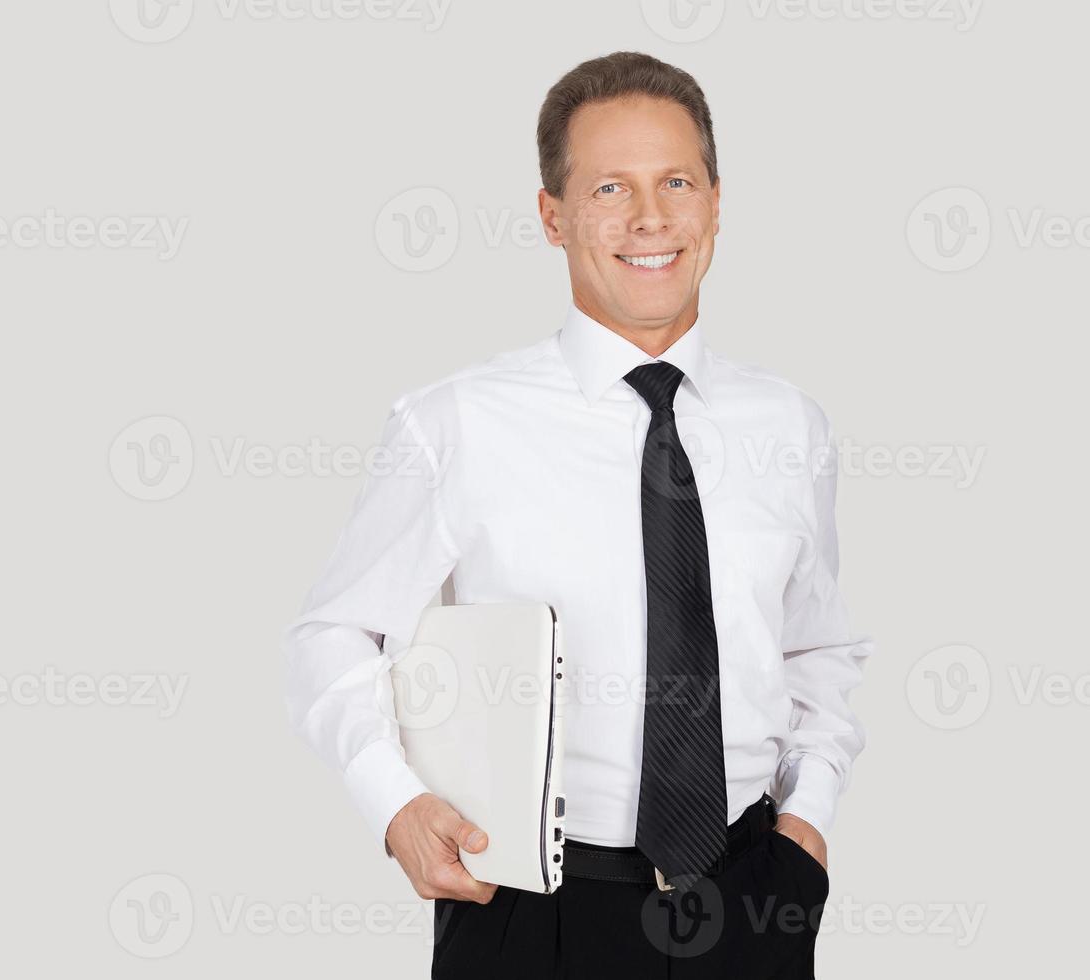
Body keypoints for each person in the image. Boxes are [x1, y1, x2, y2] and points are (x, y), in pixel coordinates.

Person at [284, 50, 873, 979]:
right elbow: (333, 632)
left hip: (755, 895)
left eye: (676, 181)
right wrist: (395, 805)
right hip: (537, 913)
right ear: (553, 217)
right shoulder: (457, 424)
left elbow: (816, 647)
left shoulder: (789, 425)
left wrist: (807, 821)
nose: (649, 218)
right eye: (609, 188)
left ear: (717, 201)